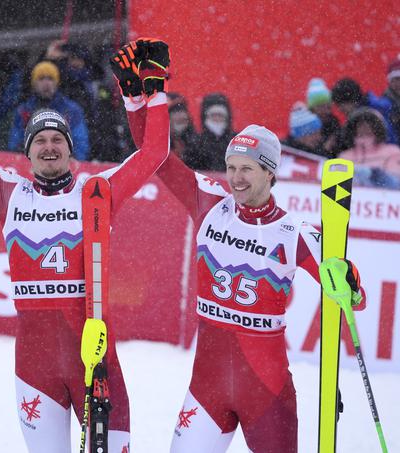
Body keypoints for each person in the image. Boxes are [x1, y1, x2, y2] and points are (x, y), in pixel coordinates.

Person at [0, 38, 171, 452]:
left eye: (57, 140)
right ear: (27, 152)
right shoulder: (8, 193)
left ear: (71, 150)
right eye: (40, 141)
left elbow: (154, 152)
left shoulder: (96, 192)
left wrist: (149, 94)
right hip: (34, 367)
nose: (49, 147)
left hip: (94, 362)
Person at [127, 109, 366, 451]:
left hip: (266, 393)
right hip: (206, 391)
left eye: (247, 169)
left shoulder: (294, 234)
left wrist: (349, 280)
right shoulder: (210, 204)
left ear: (270, 173)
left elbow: (355, 298)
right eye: (231, 167)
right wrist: (138, 101)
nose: (236, 178)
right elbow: (154, 155)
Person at [8, 60, 90, 160]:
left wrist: (75, 158)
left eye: (50, 79)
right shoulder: (23, 111)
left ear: (57, 83)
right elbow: (14, 143)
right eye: (41, 78)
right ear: (34, 84)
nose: (46, 83)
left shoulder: (71, 110)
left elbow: (81, 142)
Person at [338, 107, 400, 184]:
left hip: (384, 194)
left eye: (370, 124)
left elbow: (396, 181)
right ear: (354, 128)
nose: (365, 127)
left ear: (378, 127)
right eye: (360, 124)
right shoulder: (345, 156)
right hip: (355, 194)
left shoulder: (393, 151)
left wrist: (376, 176)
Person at [191, 93, 235, 171]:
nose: (217, 118)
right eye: (213, 115)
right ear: (206, 117)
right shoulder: (196, 142)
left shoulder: (236, 141)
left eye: (220, 115)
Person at [306, 78, 340, 155]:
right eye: (321, 107)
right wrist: (324, 149)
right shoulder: (304, 127)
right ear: (312, 109)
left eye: (328, 107)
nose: (326, 111)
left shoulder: (335, 124)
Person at [167, 92, 200, 166]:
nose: (180, 116)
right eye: (175, 112)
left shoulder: (198, 142)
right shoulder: (158, 142)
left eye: (183, 111)